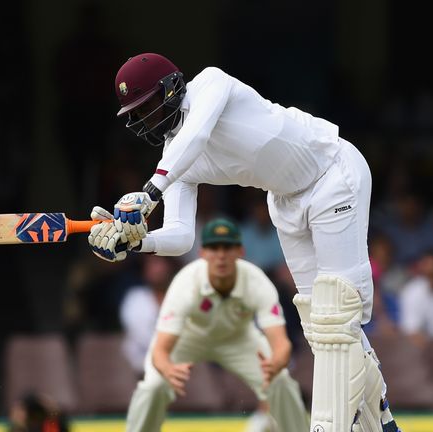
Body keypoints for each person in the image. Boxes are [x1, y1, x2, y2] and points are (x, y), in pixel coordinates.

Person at [87, 53, 400, 432]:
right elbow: (182, 236)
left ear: (170, 88)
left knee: (337, 314)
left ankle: (332, 426)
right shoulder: (174, 159)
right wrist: (134, 244)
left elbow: (196, 135)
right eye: (137, 114)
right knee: (320, 325)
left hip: (332, 174)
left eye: (147, 106)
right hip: (284, 200)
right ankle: (384, 422)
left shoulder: (211, 84)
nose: (145, 119)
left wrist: (149, 193)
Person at [123, 218, 308, 432]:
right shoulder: (186, 283)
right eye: (214, 248)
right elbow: (160, 351)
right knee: (153, 386)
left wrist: (277, 362)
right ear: (202, 253)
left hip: (239, 337)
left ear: (240, 251)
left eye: (227, 247)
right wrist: (167, 369)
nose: (221, 255)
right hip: (189, 337)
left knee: (281, 382)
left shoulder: (257, 282)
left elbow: (281, 343)